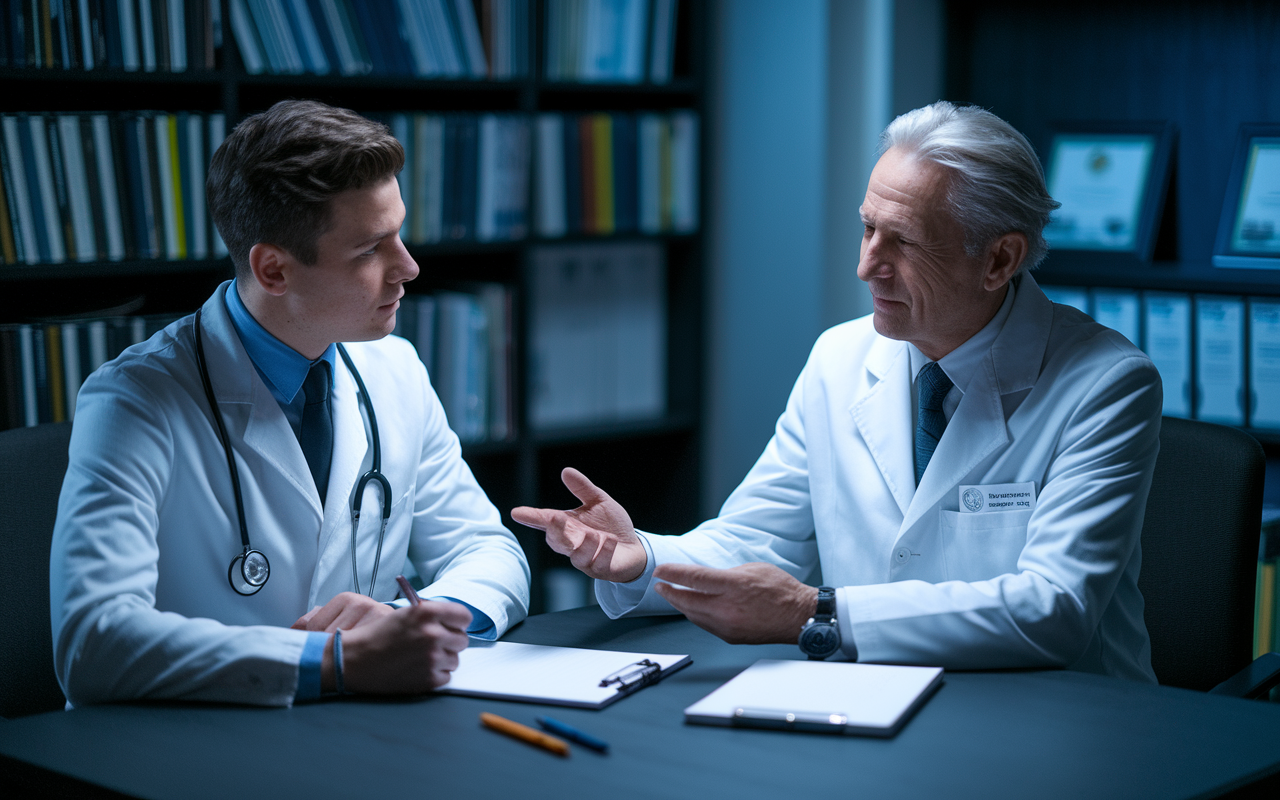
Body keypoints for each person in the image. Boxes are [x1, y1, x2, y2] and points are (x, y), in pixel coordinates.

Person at [513, 101, 1163, 682]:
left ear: (999, 259)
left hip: (1060, 719)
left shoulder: (1105, 385)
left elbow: (1053, 609)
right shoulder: (840, 357)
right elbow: (755, 541)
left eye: (903, 242)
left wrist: (813, 611)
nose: (866, 266)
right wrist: (642, 557)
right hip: (876, 697)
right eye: (867, 228)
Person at [50, 100, 530, 707]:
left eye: (400, 234)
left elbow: (488, 549)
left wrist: (413, 624)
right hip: (192, 748)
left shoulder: (396, 370)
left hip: (361, 733)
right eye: (369, 250)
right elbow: (92, 643)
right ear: (273, 270)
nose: (407, 267)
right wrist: (333, 660)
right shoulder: (135, 402)